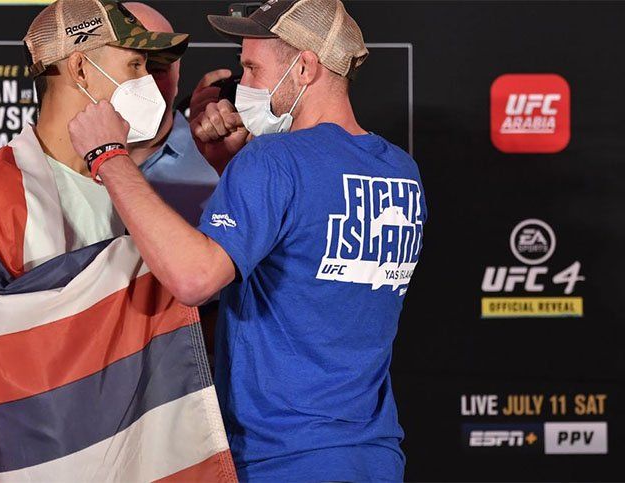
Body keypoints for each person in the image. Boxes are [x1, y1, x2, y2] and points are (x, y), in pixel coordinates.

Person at [67, 0, 427, 481]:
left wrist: (109, 157)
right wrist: (230, 168)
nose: (244, 86)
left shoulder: (274, 160)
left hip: (281, 458)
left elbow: (194, 278)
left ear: (304, 68)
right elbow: (306, 260)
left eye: (253, 69)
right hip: (371, 455)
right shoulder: (399, 170)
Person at [0, 2, 218, 278]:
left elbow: (200, 279)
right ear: (80, 71)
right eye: (136, 65)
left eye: (158, 68)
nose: (145, 81)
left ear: (179, 74)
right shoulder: (33, 174)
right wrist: (20, 200)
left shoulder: (215, 155)